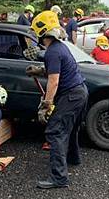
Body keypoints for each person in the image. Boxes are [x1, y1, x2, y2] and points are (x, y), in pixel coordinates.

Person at [27, 10, 88, 189]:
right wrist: (39, 70)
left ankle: (59, 178)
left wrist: (47, 104)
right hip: (80, 92)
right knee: (72, 128)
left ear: (42, 32)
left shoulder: (52, 52)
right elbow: (56, 71)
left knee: (55, 131)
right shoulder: (60, 47)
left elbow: (54, 81)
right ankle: (73, 159)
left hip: (71, 95)